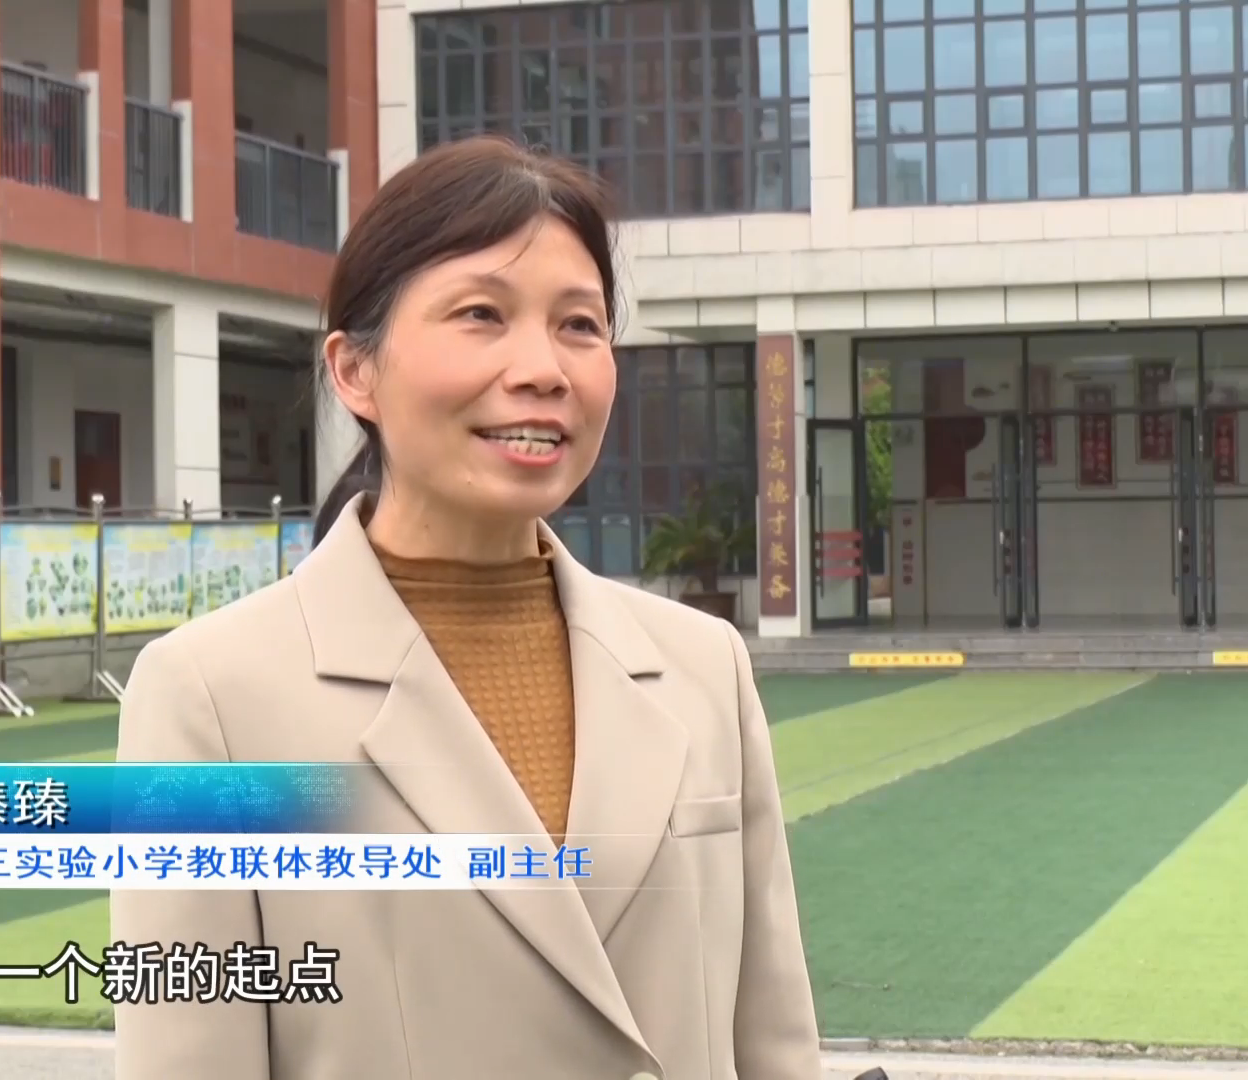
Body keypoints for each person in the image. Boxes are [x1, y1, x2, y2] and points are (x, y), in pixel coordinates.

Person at [110, 136, 822, 1080]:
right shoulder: (210, 698)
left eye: (579, 324)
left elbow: (775, 1042)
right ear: (354, 372)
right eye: (481, 314)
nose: (544, 369)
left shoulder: (704, 666)